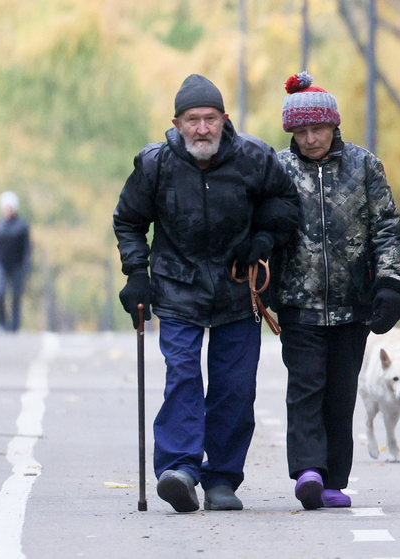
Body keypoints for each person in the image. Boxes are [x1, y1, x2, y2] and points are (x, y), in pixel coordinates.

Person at [113, 74, 298, 513]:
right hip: (177, 286)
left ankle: (221, 479)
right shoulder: (154, 164)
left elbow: (286, 204)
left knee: (235, 387)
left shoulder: (254, 157)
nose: (202, 129)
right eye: (193, 120)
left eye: (210, 119)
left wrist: (262, 241)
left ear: (224, 119)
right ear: (176, 123)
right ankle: (179, 469)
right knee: (182, 376)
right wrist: (136, 273)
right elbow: (129, 221)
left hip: (239, 287)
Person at [269, 71, 400, 510]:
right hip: (297, 301)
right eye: (301, 130)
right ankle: (308, 470)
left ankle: (333, 479)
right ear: (292, 131)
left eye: (318, 128)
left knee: (341, 391)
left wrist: (389, 282)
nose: (310, 138)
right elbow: (263, 228)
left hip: (353, 303)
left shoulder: (364, 166)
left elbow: (386, 227)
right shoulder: (277, 169)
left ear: (334, 125)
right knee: (306, 385)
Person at [0, 191, 30, 332]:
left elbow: (26, 249)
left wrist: (26, 265)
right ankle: (0, 323)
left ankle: (15, 325)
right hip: (0, 264)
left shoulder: (22, 227)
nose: (8, 211)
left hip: (17, 265)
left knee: (16, 296)